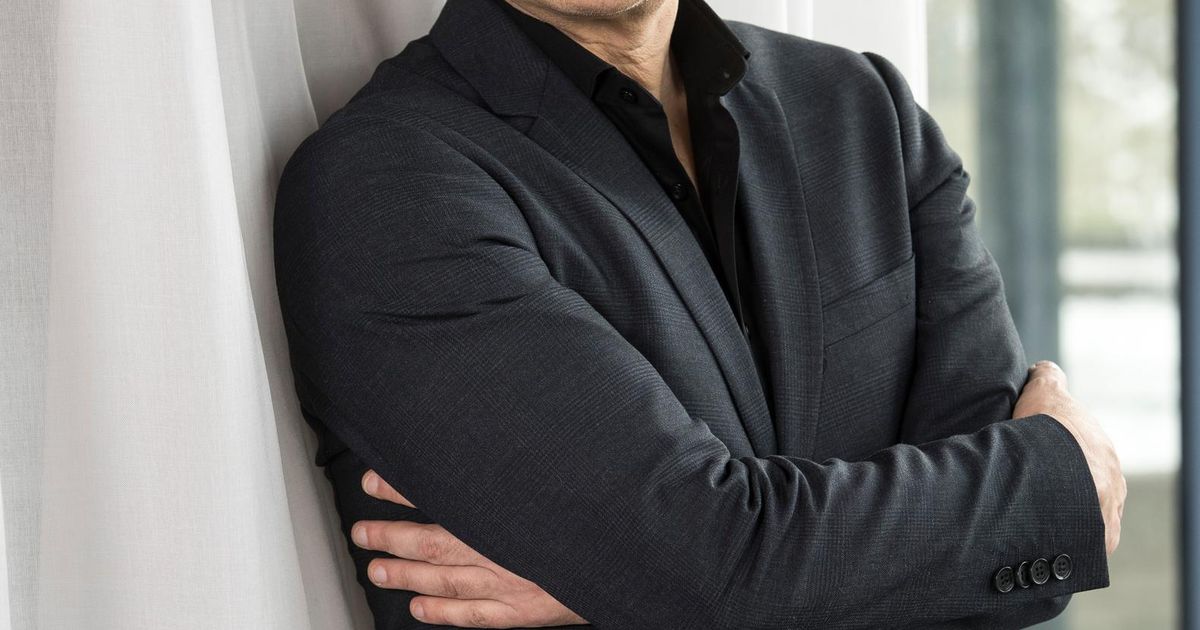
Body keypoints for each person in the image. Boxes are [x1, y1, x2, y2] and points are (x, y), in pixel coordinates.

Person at [271, 0, 1127, 627]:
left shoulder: (866, 110)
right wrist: (1045, 487)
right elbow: (706, 568)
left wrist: (638, 584)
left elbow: (1006, 592)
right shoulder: (386, 181)